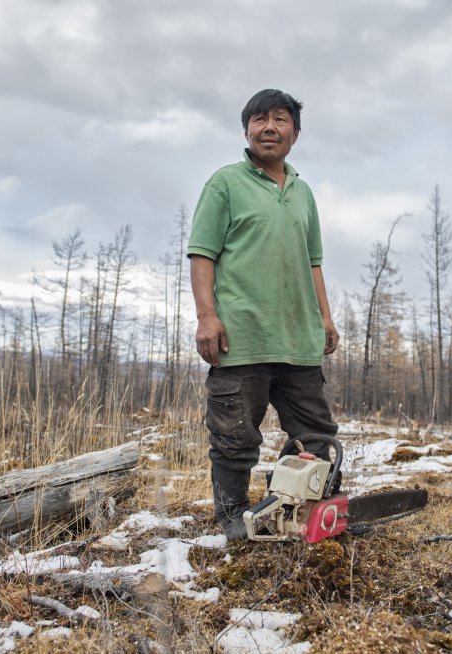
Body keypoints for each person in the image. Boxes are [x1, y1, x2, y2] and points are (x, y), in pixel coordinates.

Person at [187, 89, 340, 541]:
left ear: (295, 132)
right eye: (258, 119)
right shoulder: (225, 183)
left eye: (279, 119)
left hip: (298, 341)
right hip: (242, 339)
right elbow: (202, 254)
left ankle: (303, 516)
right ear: (246, 130)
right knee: (235, 440)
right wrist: (206, 316)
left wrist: (325, 318)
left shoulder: (303, 192)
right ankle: (235, 523)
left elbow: (313, 262)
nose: (268, 127)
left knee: (315, 439)